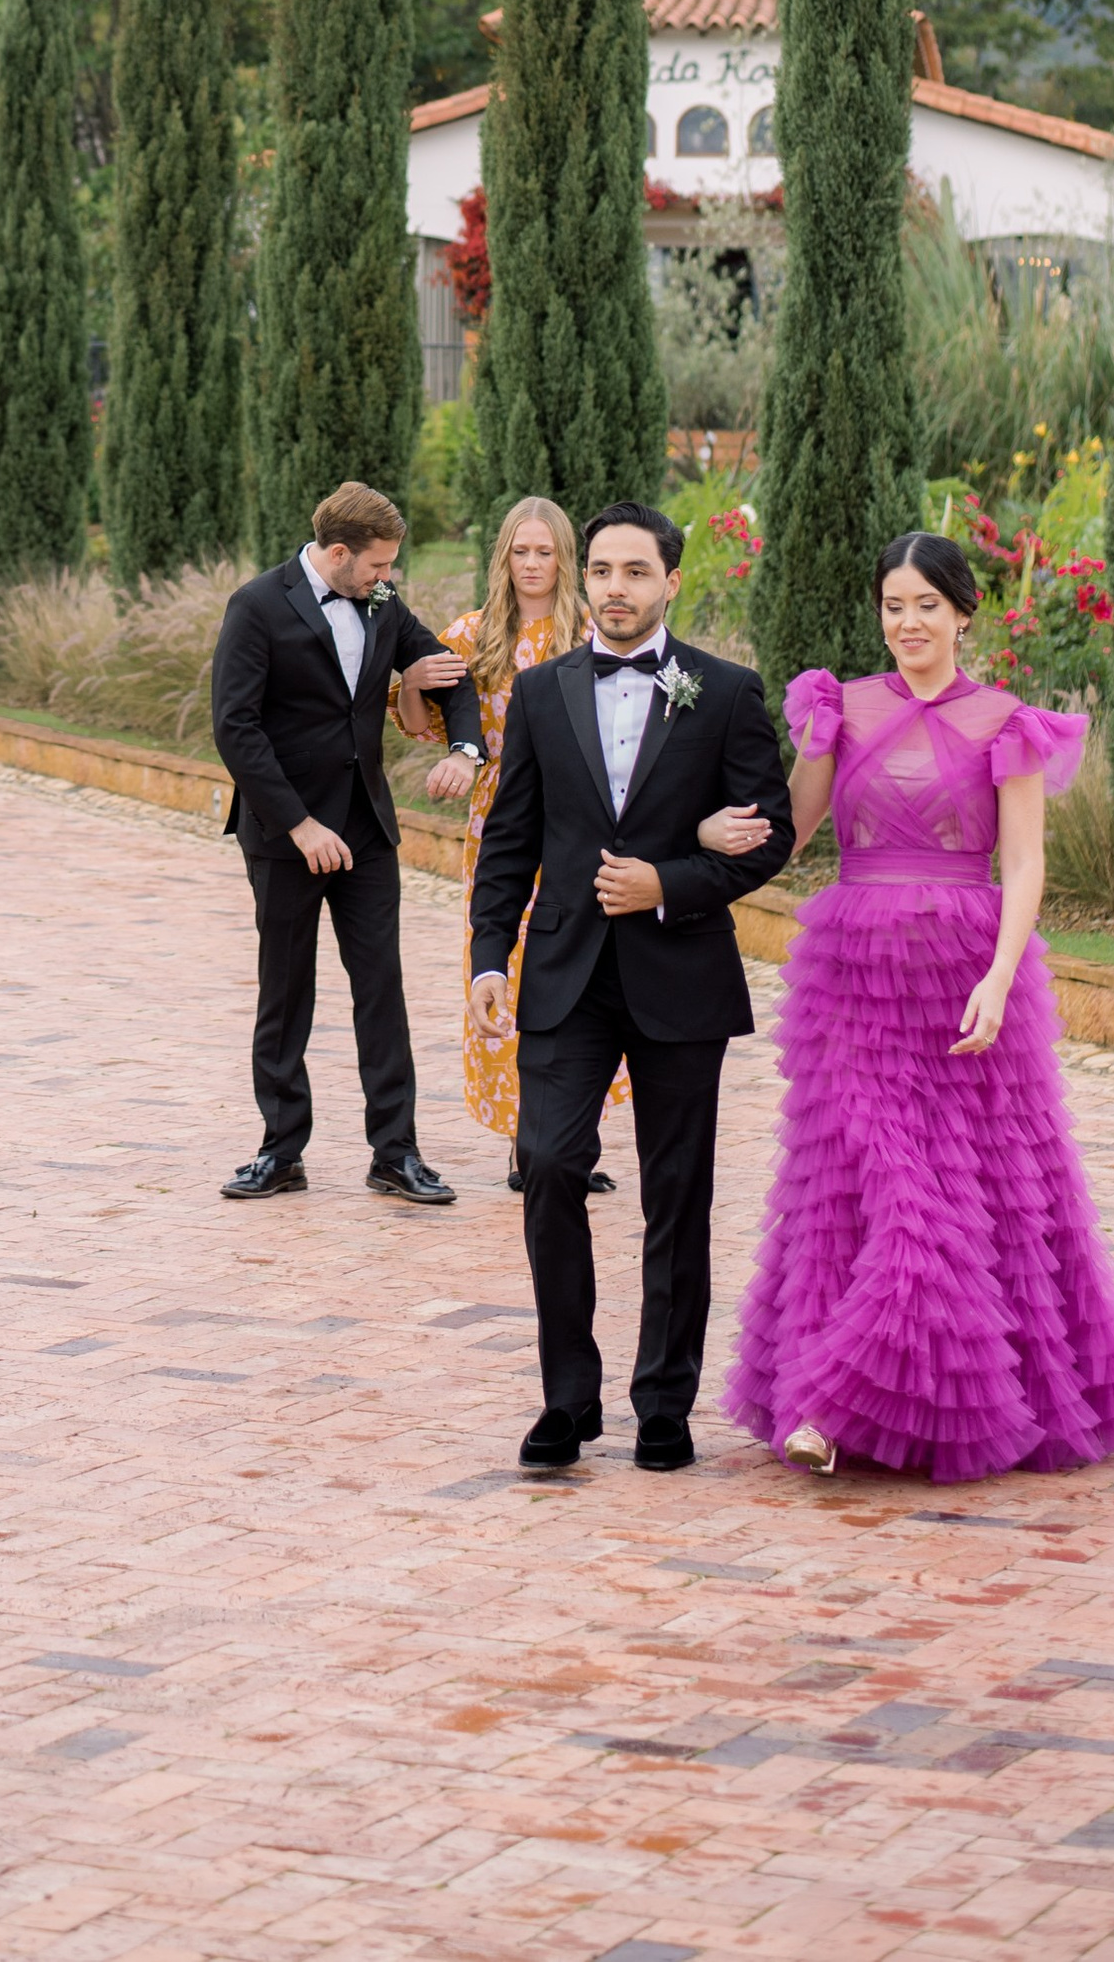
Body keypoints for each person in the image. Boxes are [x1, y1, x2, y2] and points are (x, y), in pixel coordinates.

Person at [720, 532, 1114, 1482]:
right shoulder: (839, 706)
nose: (908, 623)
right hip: (851, 973)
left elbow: (1026, 863)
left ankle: (879, 1408)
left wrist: (1001, 978)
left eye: (926, 604)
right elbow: (793, 835)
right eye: (893, 605)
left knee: (979, 1188)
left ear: (964, 612)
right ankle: (827, 1405)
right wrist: (733, 811)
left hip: (967, 975)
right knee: (875, 1188)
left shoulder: (1008, 720)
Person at [469, 499, 792, 1471]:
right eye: (602, 569)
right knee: (550, 1162)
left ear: (670, 581)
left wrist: (669, 882)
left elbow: (765, 830)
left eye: (634, 571)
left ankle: (663, 1400)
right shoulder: (540, 693)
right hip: (563, 975)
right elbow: (509, 841)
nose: (615, 587)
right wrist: (490, 956)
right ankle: (567, 1398)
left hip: (678, 971)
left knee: (677, 1191)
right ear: (586, 576)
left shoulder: (725, 691)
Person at [210, 480, 482, 1208]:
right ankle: (280, 1151)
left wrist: (464, 748)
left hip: (365, 830)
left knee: (380, 994)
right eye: (378, 565)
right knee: (286, 992)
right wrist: (299, 824)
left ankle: (396, 1154)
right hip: (285, 835)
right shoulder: (257, 607)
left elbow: (449, 669)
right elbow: (236, 728)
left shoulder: (384, 604)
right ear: (338, 553)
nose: (387, 577)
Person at [401, 496, 616, 1198]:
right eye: (520, 552)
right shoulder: (473, 634)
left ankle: (572, 1135)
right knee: (506, 972)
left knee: (581, 971)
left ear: (565, 558)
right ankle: (530, 1143)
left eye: (544, 552)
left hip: (581, 825)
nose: (531, 565)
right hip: (502, 828)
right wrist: (408, 682)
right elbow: (418, 721)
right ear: (504, 558)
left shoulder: (590, 632)